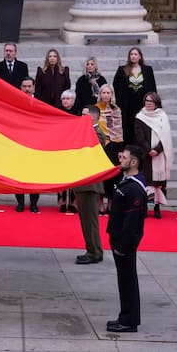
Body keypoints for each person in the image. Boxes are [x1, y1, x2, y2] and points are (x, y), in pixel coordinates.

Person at [105, 144, 147, 333]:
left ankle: (129, 321)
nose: (120, 158)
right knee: (124, 280)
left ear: (134, 162)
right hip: (118, 238)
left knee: (128, 280)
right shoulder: (126, 181)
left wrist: (123, 245)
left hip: (125, 242)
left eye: (125, 157)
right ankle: (125, 316)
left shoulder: (135, 189)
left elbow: (132, 222)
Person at [134, 92, 174, 219]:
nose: (149, 103)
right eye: (147, 101)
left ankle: (157, 207)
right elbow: (139, 136)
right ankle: (145, 206)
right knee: (147, 183)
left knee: (158, 183)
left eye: (151, 101)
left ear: (156, 103)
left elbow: (166, 137)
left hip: (159, 155)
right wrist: (149, 150)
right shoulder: (140, 117)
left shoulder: (162, 116)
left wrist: (157, 150)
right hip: (146, 156)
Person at [74, 105, 106, 265]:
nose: (81, 117)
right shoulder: (86, 132)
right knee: (86, 221)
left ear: (92, 117)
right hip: (84, 183)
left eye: (84, 115)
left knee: (90, 221)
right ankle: (93, 250)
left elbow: (90, 151)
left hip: (90, 185)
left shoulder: (97, 133)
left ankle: (94, 252)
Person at [112, 47, 157, 144]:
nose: (133, 56)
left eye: (135, 54)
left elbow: (152, 86)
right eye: (131, 54)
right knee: (128, 127)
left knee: (141, 127)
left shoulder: (147, 70)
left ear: (140, 56)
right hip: (128, 105)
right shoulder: (123, 69)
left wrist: (153, 102)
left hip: (142, 103)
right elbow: (116, 85)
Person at [96, 84, 124, 213]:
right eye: (104, 92)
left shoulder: (116, 109)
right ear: (100, 94)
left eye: (108, 93)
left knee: (114, 175)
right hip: (101, 145)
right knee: (102, 175)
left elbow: (119, 129)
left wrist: (121, 149)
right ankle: (100, 201)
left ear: (112, 94)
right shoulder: (95, 108)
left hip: (115, 145)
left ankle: (111, 201)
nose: (106, 95)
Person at [15, 76, 40, 212]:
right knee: (19, 174)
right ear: (20, 87)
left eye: (29, 86)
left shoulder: (40, 102)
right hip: (19, 142)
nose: (27, 89)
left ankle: (34, 204)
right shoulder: (14, 103)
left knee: (34, 175)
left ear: (34, 87)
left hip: (35, 144)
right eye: (24, 86)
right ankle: (20, 203)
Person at [57, 89, 79, 213]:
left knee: (73, 176)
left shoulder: (78, 113)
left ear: (73, 101)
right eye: (63, 99)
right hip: (61, 147)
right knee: (62, 175)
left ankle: (72, 203)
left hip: (74, 147)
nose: (65, 101)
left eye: (68, 99)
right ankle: (62, 202)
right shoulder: (57, 112)